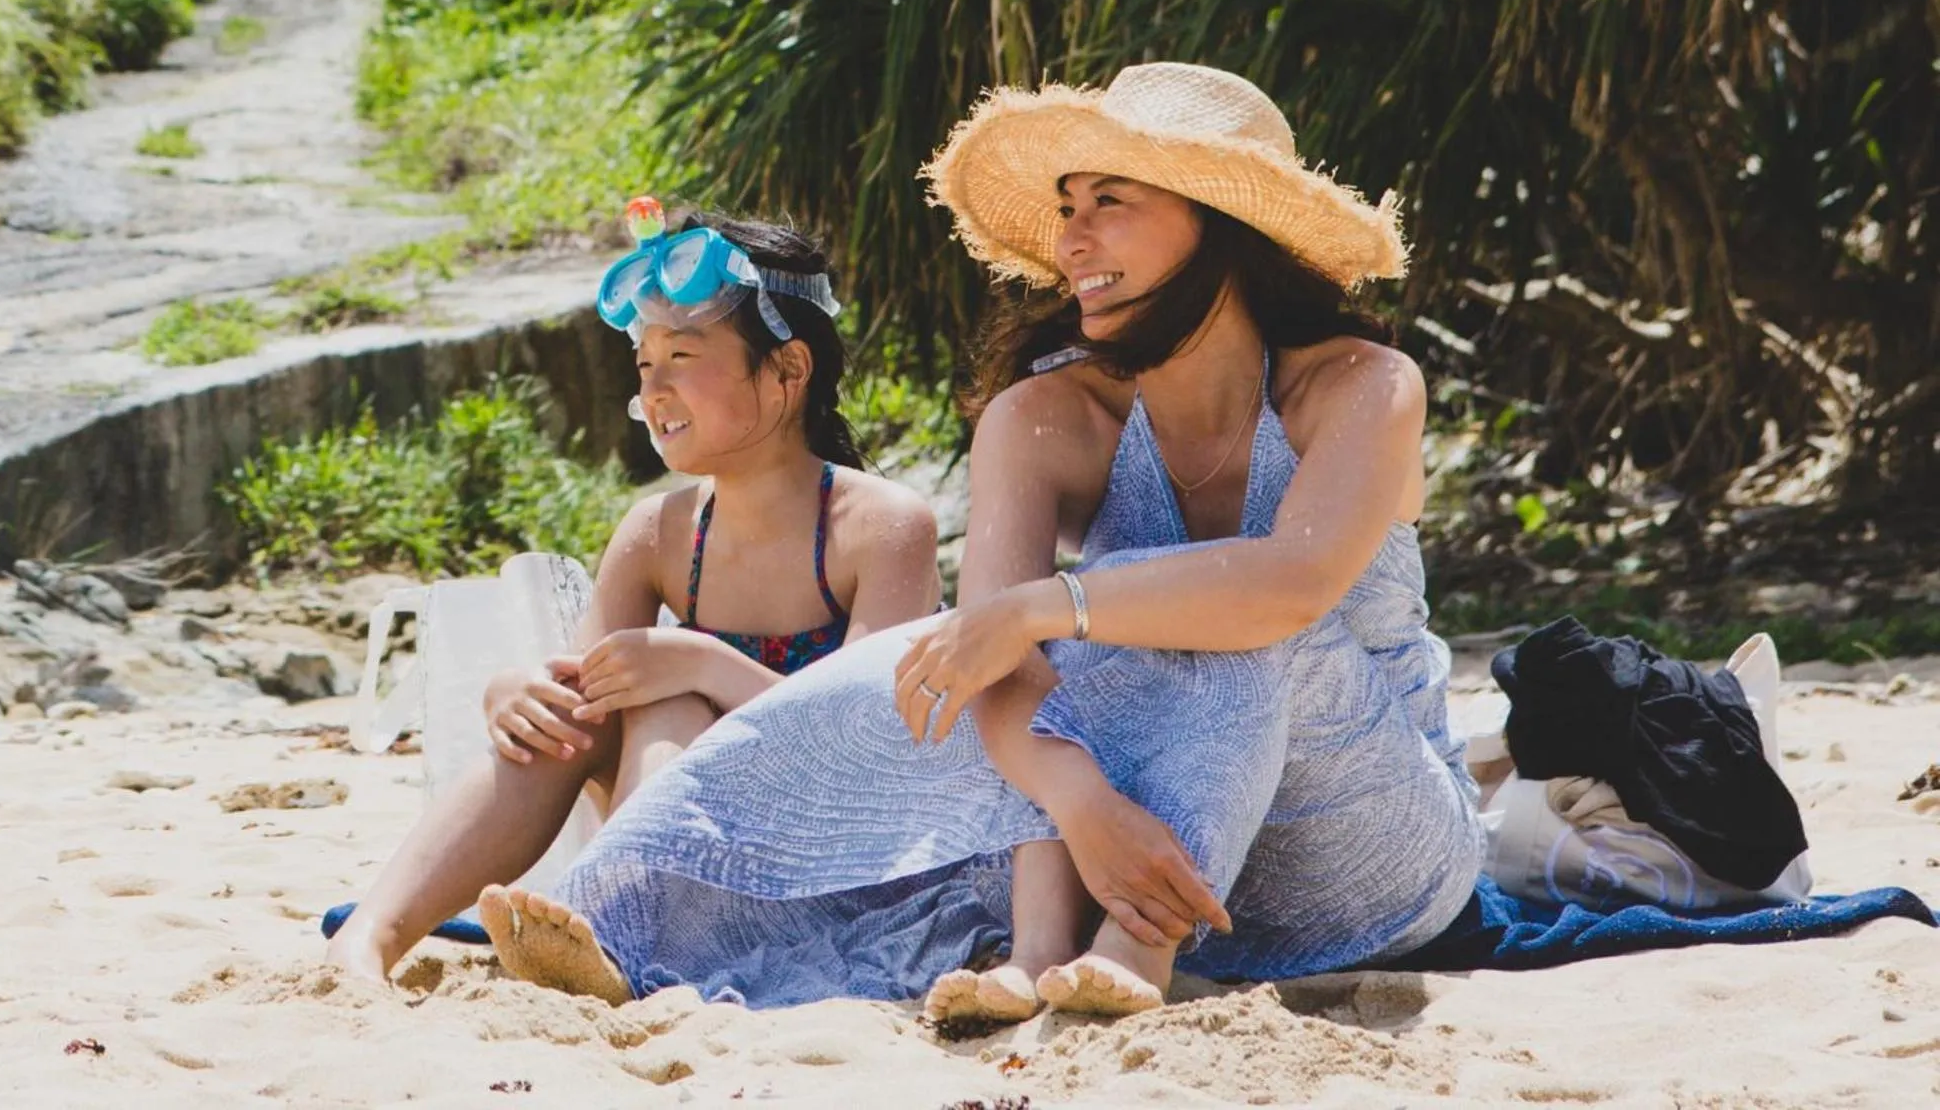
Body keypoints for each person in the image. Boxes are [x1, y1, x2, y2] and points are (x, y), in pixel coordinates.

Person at [471, 64, 1484, 1019]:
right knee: (914, 670)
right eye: (1065, 208)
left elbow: (1288, 586)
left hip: (1369, 855)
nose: (1072, 239)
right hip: (1141, 854)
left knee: (1188, 612)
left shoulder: (1358, 386)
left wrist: (1049, 605)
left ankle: (1135, 954)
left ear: (1216, 224)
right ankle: (622, 912)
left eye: (1110, 204)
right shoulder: (1044, 417)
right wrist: (1078, 799)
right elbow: (991, 664)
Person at [324, 207, 941, 984]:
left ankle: (617, 928)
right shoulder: (657, 532)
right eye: (645, 365)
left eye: (683, 356)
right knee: (577, 717)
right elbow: (588, 700)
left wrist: (701, 663)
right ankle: (374, 935)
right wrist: (514, 694)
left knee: (669, 696)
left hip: (831, 851)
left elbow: (867, 739)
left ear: (788, 371)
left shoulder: (880, 525)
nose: (656, 388)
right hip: (673, 846)